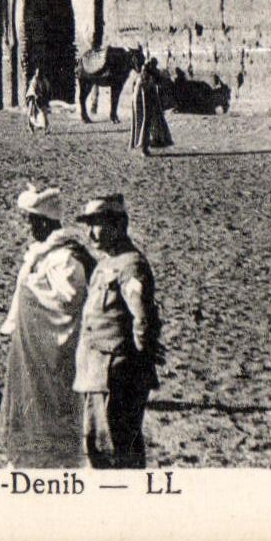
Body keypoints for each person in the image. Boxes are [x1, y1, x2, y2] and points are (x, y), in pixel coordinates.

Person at [0, 184, 95, 468]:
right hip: (33, 347)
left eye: (31, 221)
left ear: (43, 222)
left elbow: (69, 301)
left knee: (51, 402)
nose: (28, 227)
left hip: (53, 349)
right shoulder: (46, 253)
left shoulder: (65, 258)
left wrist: (29, 293)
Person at [72, 194, 162, 469]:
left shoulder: (131, 265)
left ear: (119, 225)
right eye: (88, 225)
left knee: (118, 448)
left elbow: (143, 318)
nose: (91, 232)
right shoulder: (105, 264)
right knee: (98, 446)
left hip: (117, 373)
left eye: (97, 224)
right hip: (97, 371)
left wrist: (136, 365)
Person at [128, 58, 173, 156]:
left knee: (143, 121)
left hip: (140, 101)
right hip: (146, 101)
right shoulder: (149, 77)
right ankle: (144, 147)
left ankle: (146, 144)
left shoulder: (140, 77)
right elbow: (161, 82)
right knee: (146, 122)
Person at [25, 66, 52, 135]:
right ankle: (30, 127)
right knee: (31, 114)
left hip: (41, 100)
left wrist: (45, 96)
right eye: (37, 73)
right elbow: (32, 89)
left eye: (39, 73)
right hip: (33, 100)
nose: (38, 74)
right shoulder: (34, 80)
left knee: (43, 114)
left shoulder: (44, 80)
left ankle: (46, 129)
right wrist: (35, 96)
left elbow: (47, 89)